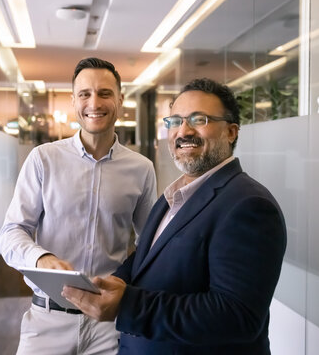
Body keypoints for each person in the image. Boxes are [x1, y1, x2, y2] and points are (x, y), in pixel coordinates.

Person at [63, 78, 287, 354]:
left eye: (199, 119)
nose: (184, 131)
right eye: (175, 121)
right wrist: (119, 280)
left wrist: (128, 304)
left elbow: (236, 315)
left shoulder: (248, 205)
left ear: (231, 132)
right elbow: (149, 255)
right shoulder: (176, 194)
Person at [0, 57, 157, 355]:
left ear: (120, 100)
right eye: (84, 94)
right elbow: (11, 233)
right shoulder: (43, 159)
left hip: (109, 326)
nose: (94, 102)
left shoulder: (141, 168)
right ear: (73, 101)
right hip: (47, 321)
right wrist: (41, 258)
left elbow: (150, 245)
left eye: (105, 93)